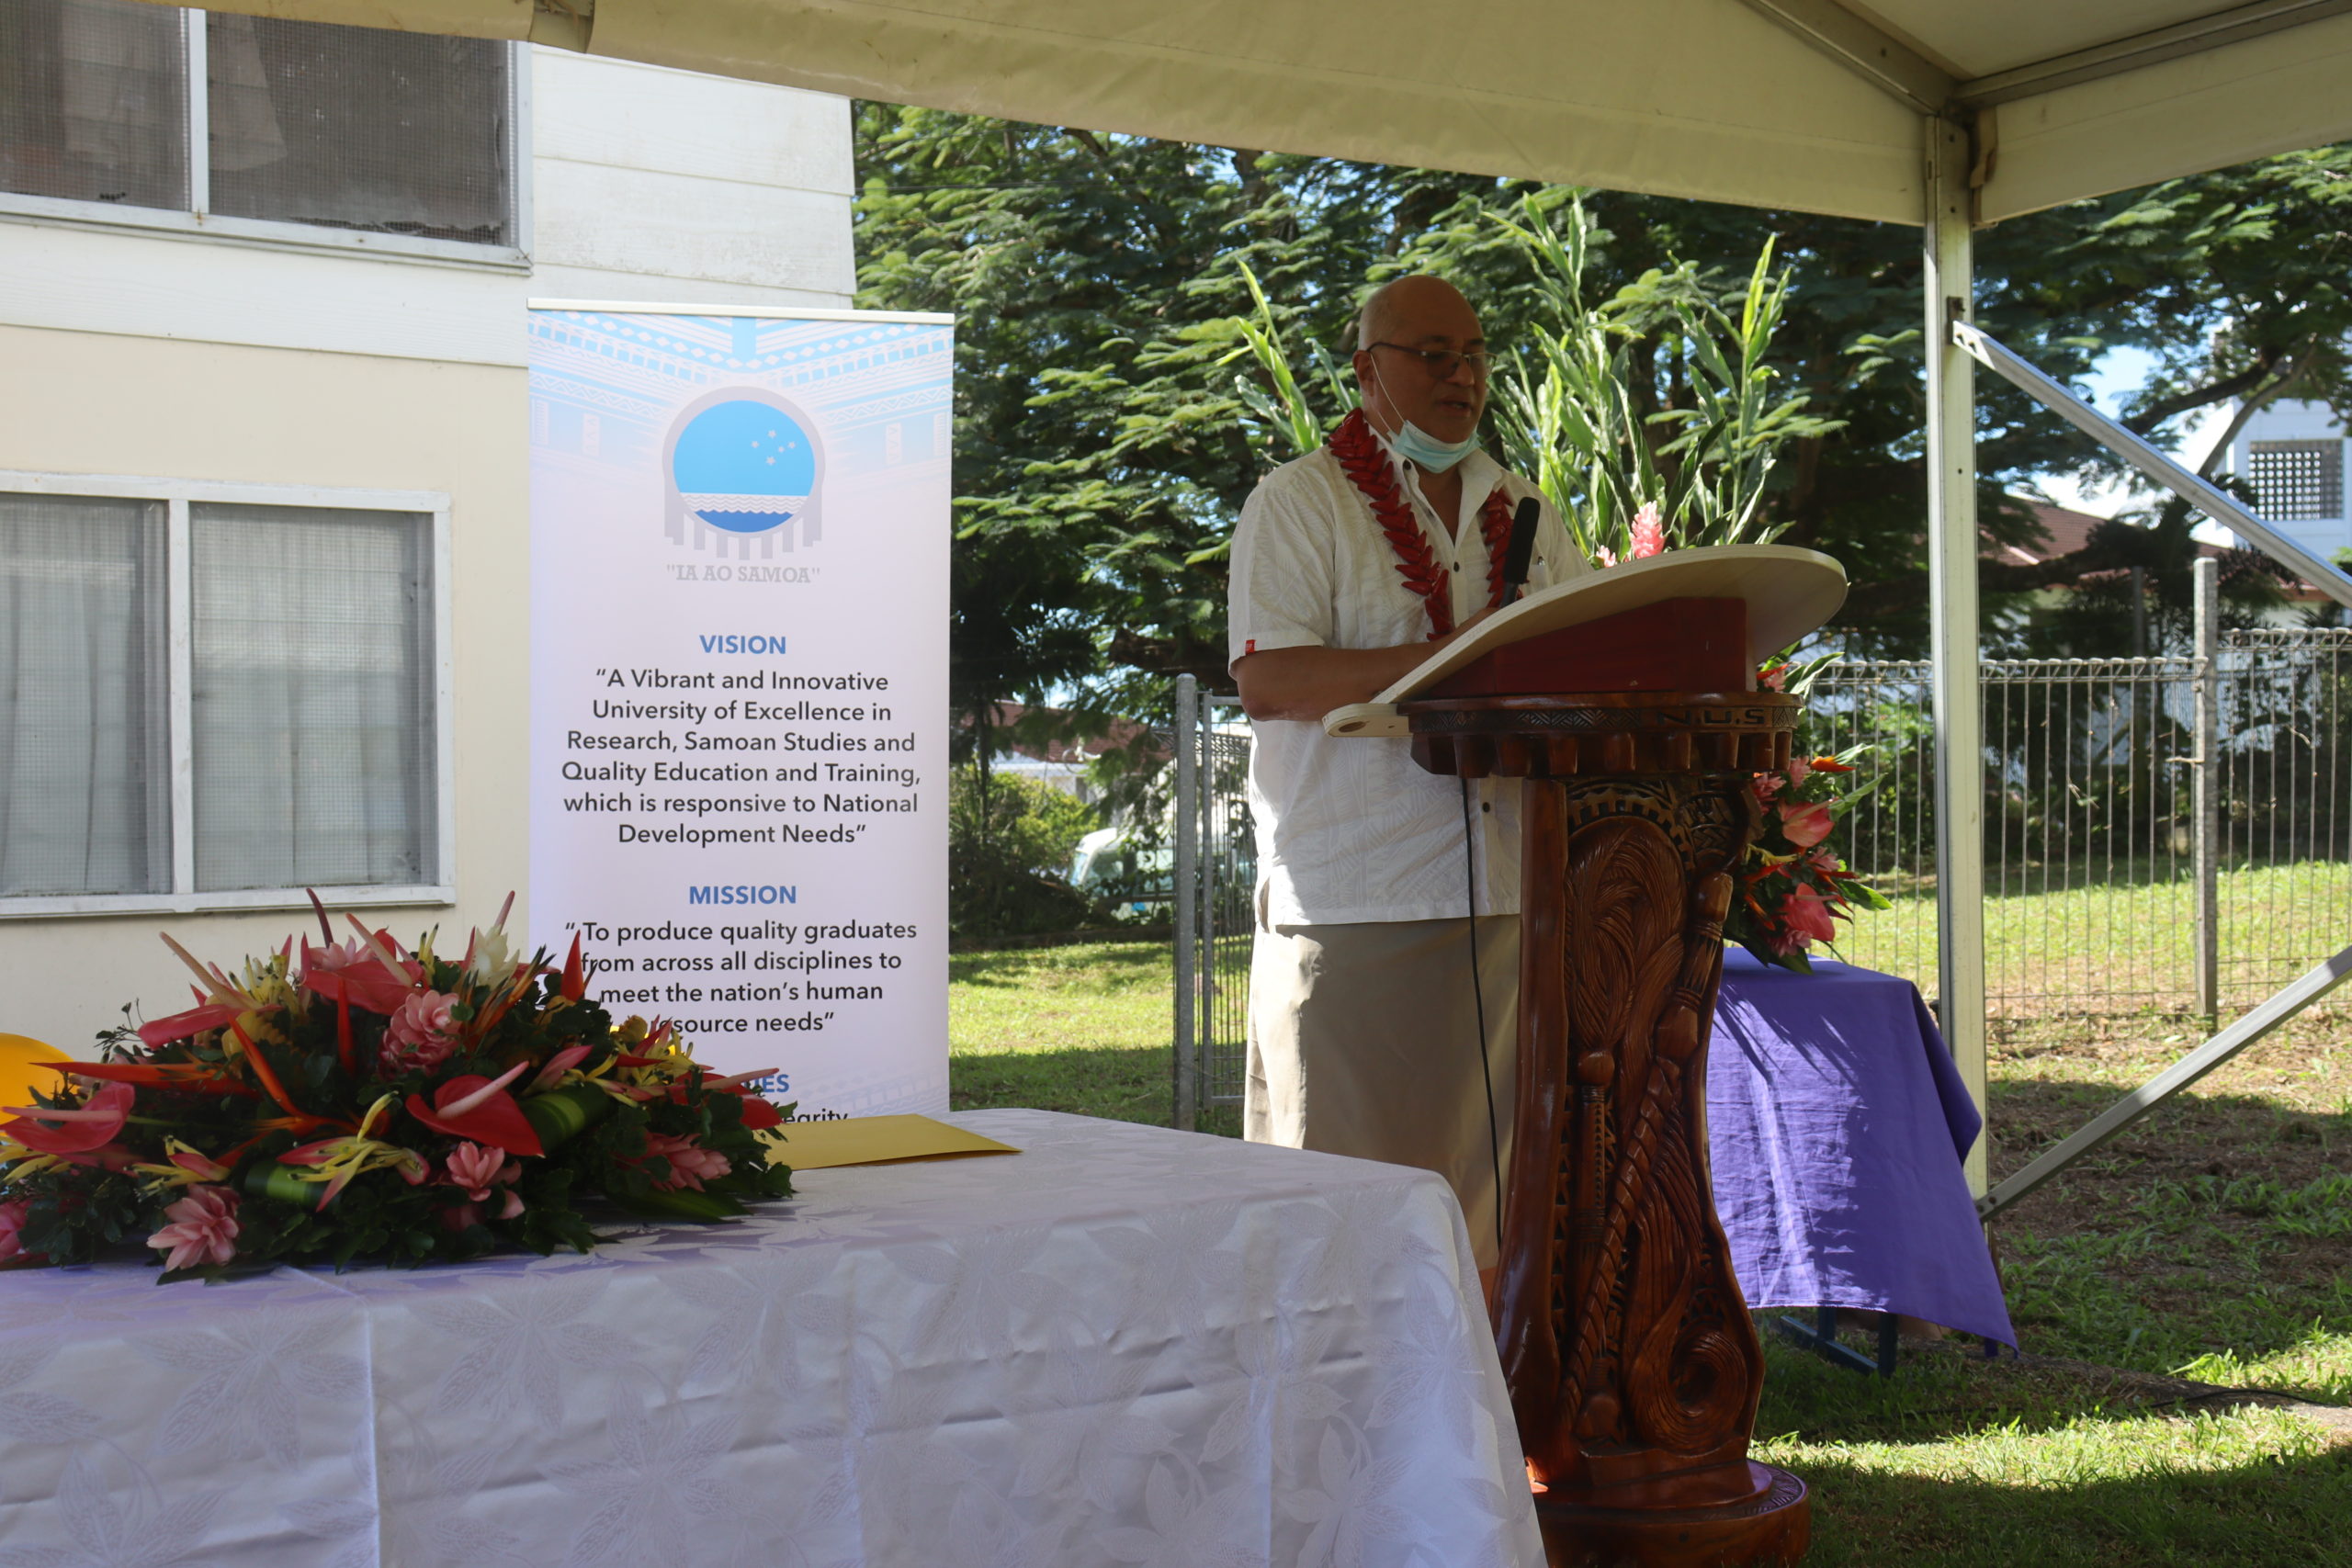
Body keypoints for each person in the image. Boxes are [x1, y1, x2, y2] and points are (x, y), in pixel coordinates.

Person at [1227, 275, 1587, 1278]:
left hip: (1512, 890)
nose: (1458, 375)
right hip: (1356, 895)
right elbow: (1268, 679)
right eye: (1429, 354)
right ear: (1365, 372)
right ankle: (1332, 1423)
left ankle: (1476, 1419)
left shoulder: (1523, 513)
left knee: (1490, 1197)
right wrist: (1460, 662)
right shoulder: (1299, 502)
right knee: (1340, 1200)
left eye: (1472, 353)